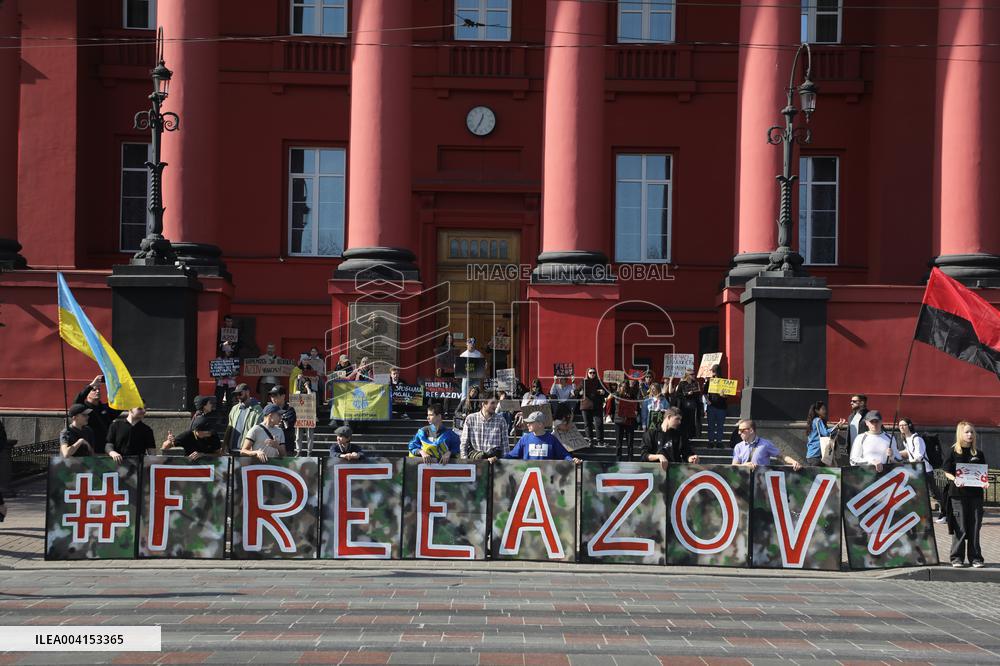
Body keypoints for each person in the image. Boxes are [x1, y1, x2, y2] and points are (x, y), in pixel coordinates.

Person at [942, 421, 987, 568]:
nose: (970, 435)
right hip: (957, 495)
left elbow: (982, 474)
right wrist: (955, 479)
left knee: (975, 526)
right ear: (960, 434)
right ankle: (957, 558)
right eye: (967, 432)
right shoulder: (953, 451)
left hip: (975, 495)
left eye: (972, 432)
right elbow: (946, 471)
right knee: (960, 526)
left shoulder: (978, 454)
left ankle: (976, 558)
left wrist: (985, 482)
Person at [896, 417, 945, 523]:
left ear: (909, 425)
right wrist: (896, 453)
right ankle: (920, 514)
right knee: (917, 492)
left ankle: (944, 513)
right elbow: (908, 451)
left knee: (934, 492)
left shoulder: (917, 439)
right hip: (915, 470)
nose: (902, 427)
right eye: (900, 426)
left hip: (925, 470)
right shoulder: (906, 439)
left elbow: (920, 455)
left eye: (904, 425)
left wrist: (910, 462)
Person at [504, 411, 581, 464]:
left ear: (540, 424)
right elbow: (512, 455)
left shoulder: (552, 439)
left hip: (547, 480)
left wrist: (572, 460)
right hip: (528, 477)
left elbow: (564, 455)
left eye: (531, 422)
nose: (527, 424)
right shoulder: (524, 439)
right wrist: (498, 459)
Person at [731, 420, 802, 470]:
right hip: (744, 483)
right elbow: (734, 465)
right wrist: (744, 465)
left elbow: (782, 456)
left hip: (761, 483)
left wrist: (793, 462)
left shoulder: (765, 444)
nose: (739, 433)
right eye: (738, 430)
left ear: (751, 430)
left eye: (742, 430)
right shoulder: (738, 447)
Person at [73, 375, 120, 447]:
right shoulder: (83, 408)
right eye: (94, 390)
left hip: (107, 448)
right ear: (87, 394)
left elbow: (120, 405)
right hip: (89, 447)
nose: (97, 391)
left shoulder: (105, 408)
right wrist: (91, 385)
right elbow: (76, 402)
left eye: (98, 389)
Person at [460, 391, 508, 459]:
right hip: (475, 461)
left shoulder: (501, 420)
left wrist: (505, 462)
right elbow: (464, 442)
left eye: (496, 403)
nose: (495, 406)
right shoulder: (470, 419)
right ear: (483, 404)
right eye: (492, 403)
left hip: (495, 462)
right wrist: (464, 460)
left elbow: (505, 445)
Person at [804, 401, 845, 466]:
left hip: (811, 455)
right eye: (823, 409)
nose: (825, 411)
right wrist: (837, 426)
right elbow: (825, 433)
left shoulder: (812, 421)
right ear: (817, 411)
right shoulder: (818, 420)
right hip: (817, 455)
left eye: (825, 409)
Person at [226, 383, 262, 453]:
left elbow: (258, 432)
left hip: (247, 452)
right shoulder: (234, 408)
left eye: (240, 394)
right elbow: (229, 429)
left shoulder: (257, 410)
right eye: (236, 395)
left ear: (247, 392)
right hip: (232, 450)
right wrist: (225, 445)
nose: (238, 396)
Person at [580, 368, 606, 448]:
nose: (592, 374)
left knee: (599, 423)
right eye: (590, 372)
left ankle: (600, 441)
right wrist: (598, 391)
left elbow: (606, 391)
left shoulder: (599, 381)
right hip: (586, 405)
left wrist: (603, 392)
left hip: (597, 406)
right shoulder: (584, 381)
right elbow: (586, 391)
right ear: (587, 373)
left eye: (594, 373)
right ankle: (590, 440)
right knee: (587, 424)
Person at [613, 382, 639, 461]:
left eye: (626, 387)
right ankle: (618, 459)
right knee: (618, 443)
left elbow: (636, 407)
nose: (624, 388)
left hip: (629, 421)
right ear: (620, 387)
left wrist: (636, 411)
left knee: (630, 443)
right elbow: (615, 400)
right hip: (619, 421)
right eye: (622, 387)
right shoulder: (617, 395)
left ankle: (630, 459)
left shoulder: (632, 396)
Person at [704, 365, 729, 448]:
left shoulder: (725, 381)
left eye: (713, 371)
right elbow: (704, 392)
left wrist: (724, 395)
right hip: (712, 407)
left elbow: (728, 395)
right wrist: (707, 400)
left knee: (720, 425)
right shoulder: (710, 381)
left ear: (716, 371)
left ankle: (719, 442)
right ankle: (711, 441)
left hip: (721, 407)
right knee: (711, 425)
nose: (712, 373)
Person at [269, 386, 297, 454]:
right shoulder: (268, 410)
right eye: (271, 396)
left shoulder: (290, 410)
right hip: (270, 448)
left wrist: (273, 424)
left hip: (286, 448)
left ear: (283, 396)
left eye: (275, 395)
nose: (273, 398)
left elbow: (284, 426)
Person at [674, 370, 701, 441]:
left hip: (693, 406)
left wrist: (694, 393)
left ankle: (690, 438)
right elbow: (677, 394)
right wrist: (686, 394)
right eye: (691, 374)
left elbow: (698, 394)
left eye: (694, 374)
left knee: (691, 422)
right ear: (687, 375)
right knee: (684, 422)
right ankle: (683, 438)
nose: (693, 375)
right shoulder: (682, 383)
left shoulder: (695, 383)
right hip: (683, 406)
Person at [213, 342, 239, 408]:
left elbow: (235, 372)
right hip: (220, 383)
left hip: (231, 384)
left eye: (230, 351)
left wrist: (231, 375)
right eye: (228, 351)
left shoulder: (233, 360)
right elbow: (215, 372)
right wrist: (220, 376)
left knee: (230, 400)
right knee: (219, 400)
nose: (229, 353)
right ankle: (219, 415)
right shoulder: (218, 360)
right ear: (224, 351)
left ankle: (229, 414)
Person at [459, 336, 484, 401]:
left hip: (476, 377)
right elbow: (459, 367)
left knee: (475, 394)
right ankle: (463, 409)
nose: (471, 344)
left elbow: (483, 365)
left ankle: (475, 409)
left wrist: (485, 365)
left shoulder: (479, 354)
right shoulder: (463, 355)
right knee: (464, 394)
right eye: (469, 343)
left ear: (475, 344)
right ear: (467, 344)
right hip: (466, 378)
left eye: (473, 343)